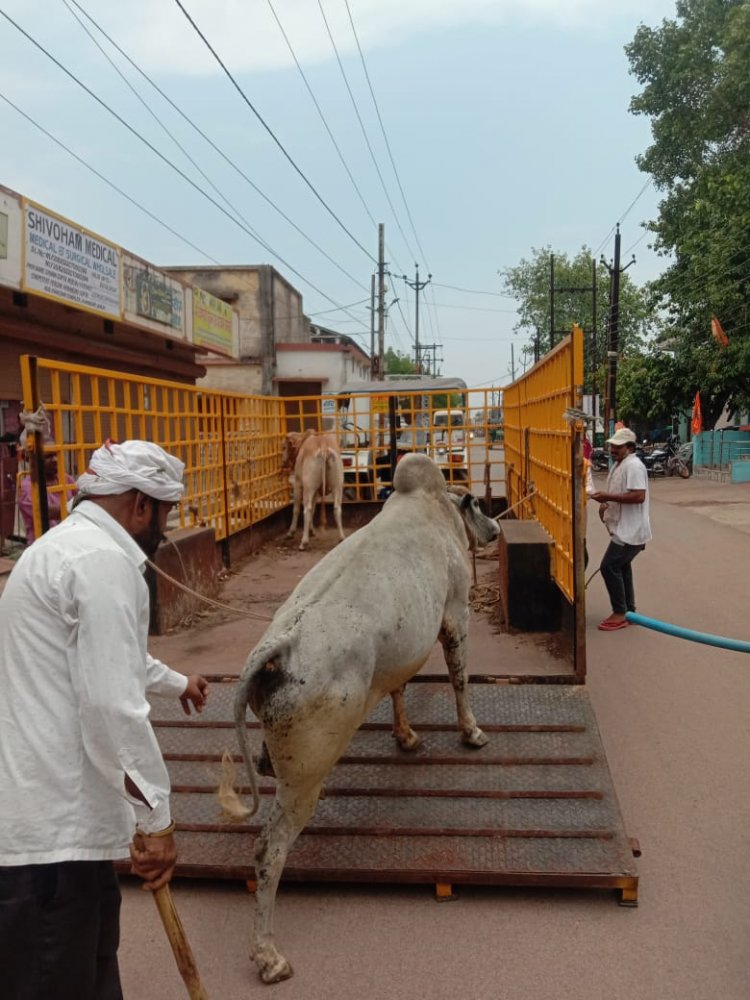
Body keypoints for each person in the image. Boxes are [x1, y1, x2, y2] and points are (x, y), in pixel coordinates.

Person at [0, 439, 209, 1000]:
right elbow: (111, 707)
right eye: (164, 514)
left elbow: (111, 657)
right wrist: (156, 821)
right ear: (140, 504)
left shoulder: (66, 549)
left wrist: (177, 682)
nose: (164, 529)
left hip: (64, 835)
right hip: (53, 842)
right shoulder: (102, 562)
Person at [590, 426, 652, 631]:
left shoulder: (633, 466)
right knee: (621, 567)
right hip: (624, 528)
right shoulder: (620, 464)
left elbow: (638, 496)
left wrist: (608, 498)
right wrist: (607, 506)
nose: (613, 449)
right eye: (612, 446)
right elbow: (619, 492)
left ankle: (620, 612)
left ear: (629, 447)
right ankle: (629, 611)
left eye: (618, 446)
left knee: (609, 566)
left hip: (630, 530)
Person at [17, 436, 76, 544]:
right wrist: (78, 507)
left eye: (56, 455)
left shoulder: (66, 479)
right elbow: (44, 511)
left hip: (69, 541)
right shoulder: (29, 486)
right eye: (48, 456)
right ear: (34, 460)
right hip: (43, 544)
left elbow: (82, 497)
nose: (55, 460)